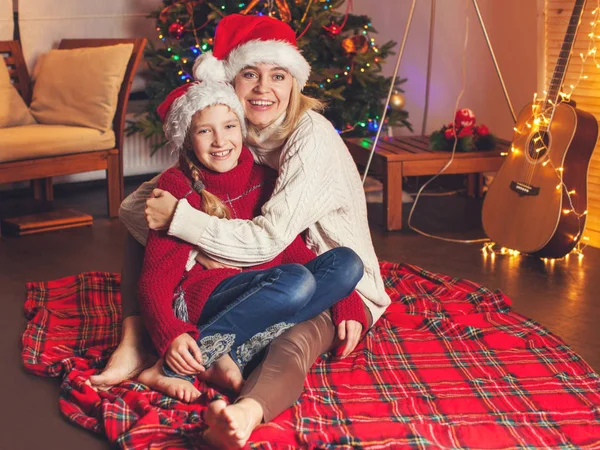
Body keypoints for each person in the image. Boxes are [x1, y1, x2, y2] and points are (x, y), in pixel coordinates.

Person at [91, 14, 391, 449]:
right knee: (286, 320)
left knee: (299, 328)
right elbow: (135, 210)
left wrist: (191, 226)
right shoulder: (236, 129)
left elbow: (275, 241)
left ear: (294, 83)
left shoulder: (310, 138)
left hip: (332, 282)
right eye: (250, 74)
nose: (263, 89)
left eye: (278, 76)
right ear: (230, 83)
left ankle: (225, 398)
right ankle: (143, 338)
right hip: (266, 275)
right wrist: (195, 240)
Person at [135, 79, 365, 403]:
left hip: (266, 289)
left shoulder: (263, 178)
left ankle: (232, 351)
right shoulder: (178, 184)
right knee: (296, 282)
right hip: (206, 296)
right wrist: (169, 335)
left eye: (229, 125)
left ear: (241, 128)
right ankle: (172, 368)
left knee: (347, 263)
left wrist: (343, 296)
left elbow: (291, 248)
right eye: (204, 131)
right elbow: (156, 277)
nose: (220, 141)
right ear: (187, 139)